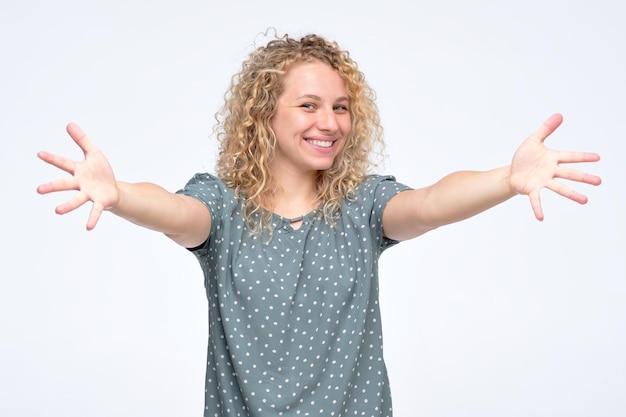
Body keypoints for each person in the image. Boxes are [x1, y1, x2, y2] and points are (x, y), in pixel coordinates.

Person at [36, 32, 601, 417]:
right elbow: (175, 213)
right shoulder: (225, 208)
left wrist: (507, 178)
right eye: (308, 105)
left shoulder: (359, 207)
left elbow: (429, 203)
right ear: (264, 115)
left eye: (341, 106)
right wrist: (118, 196)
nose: (329, 122)